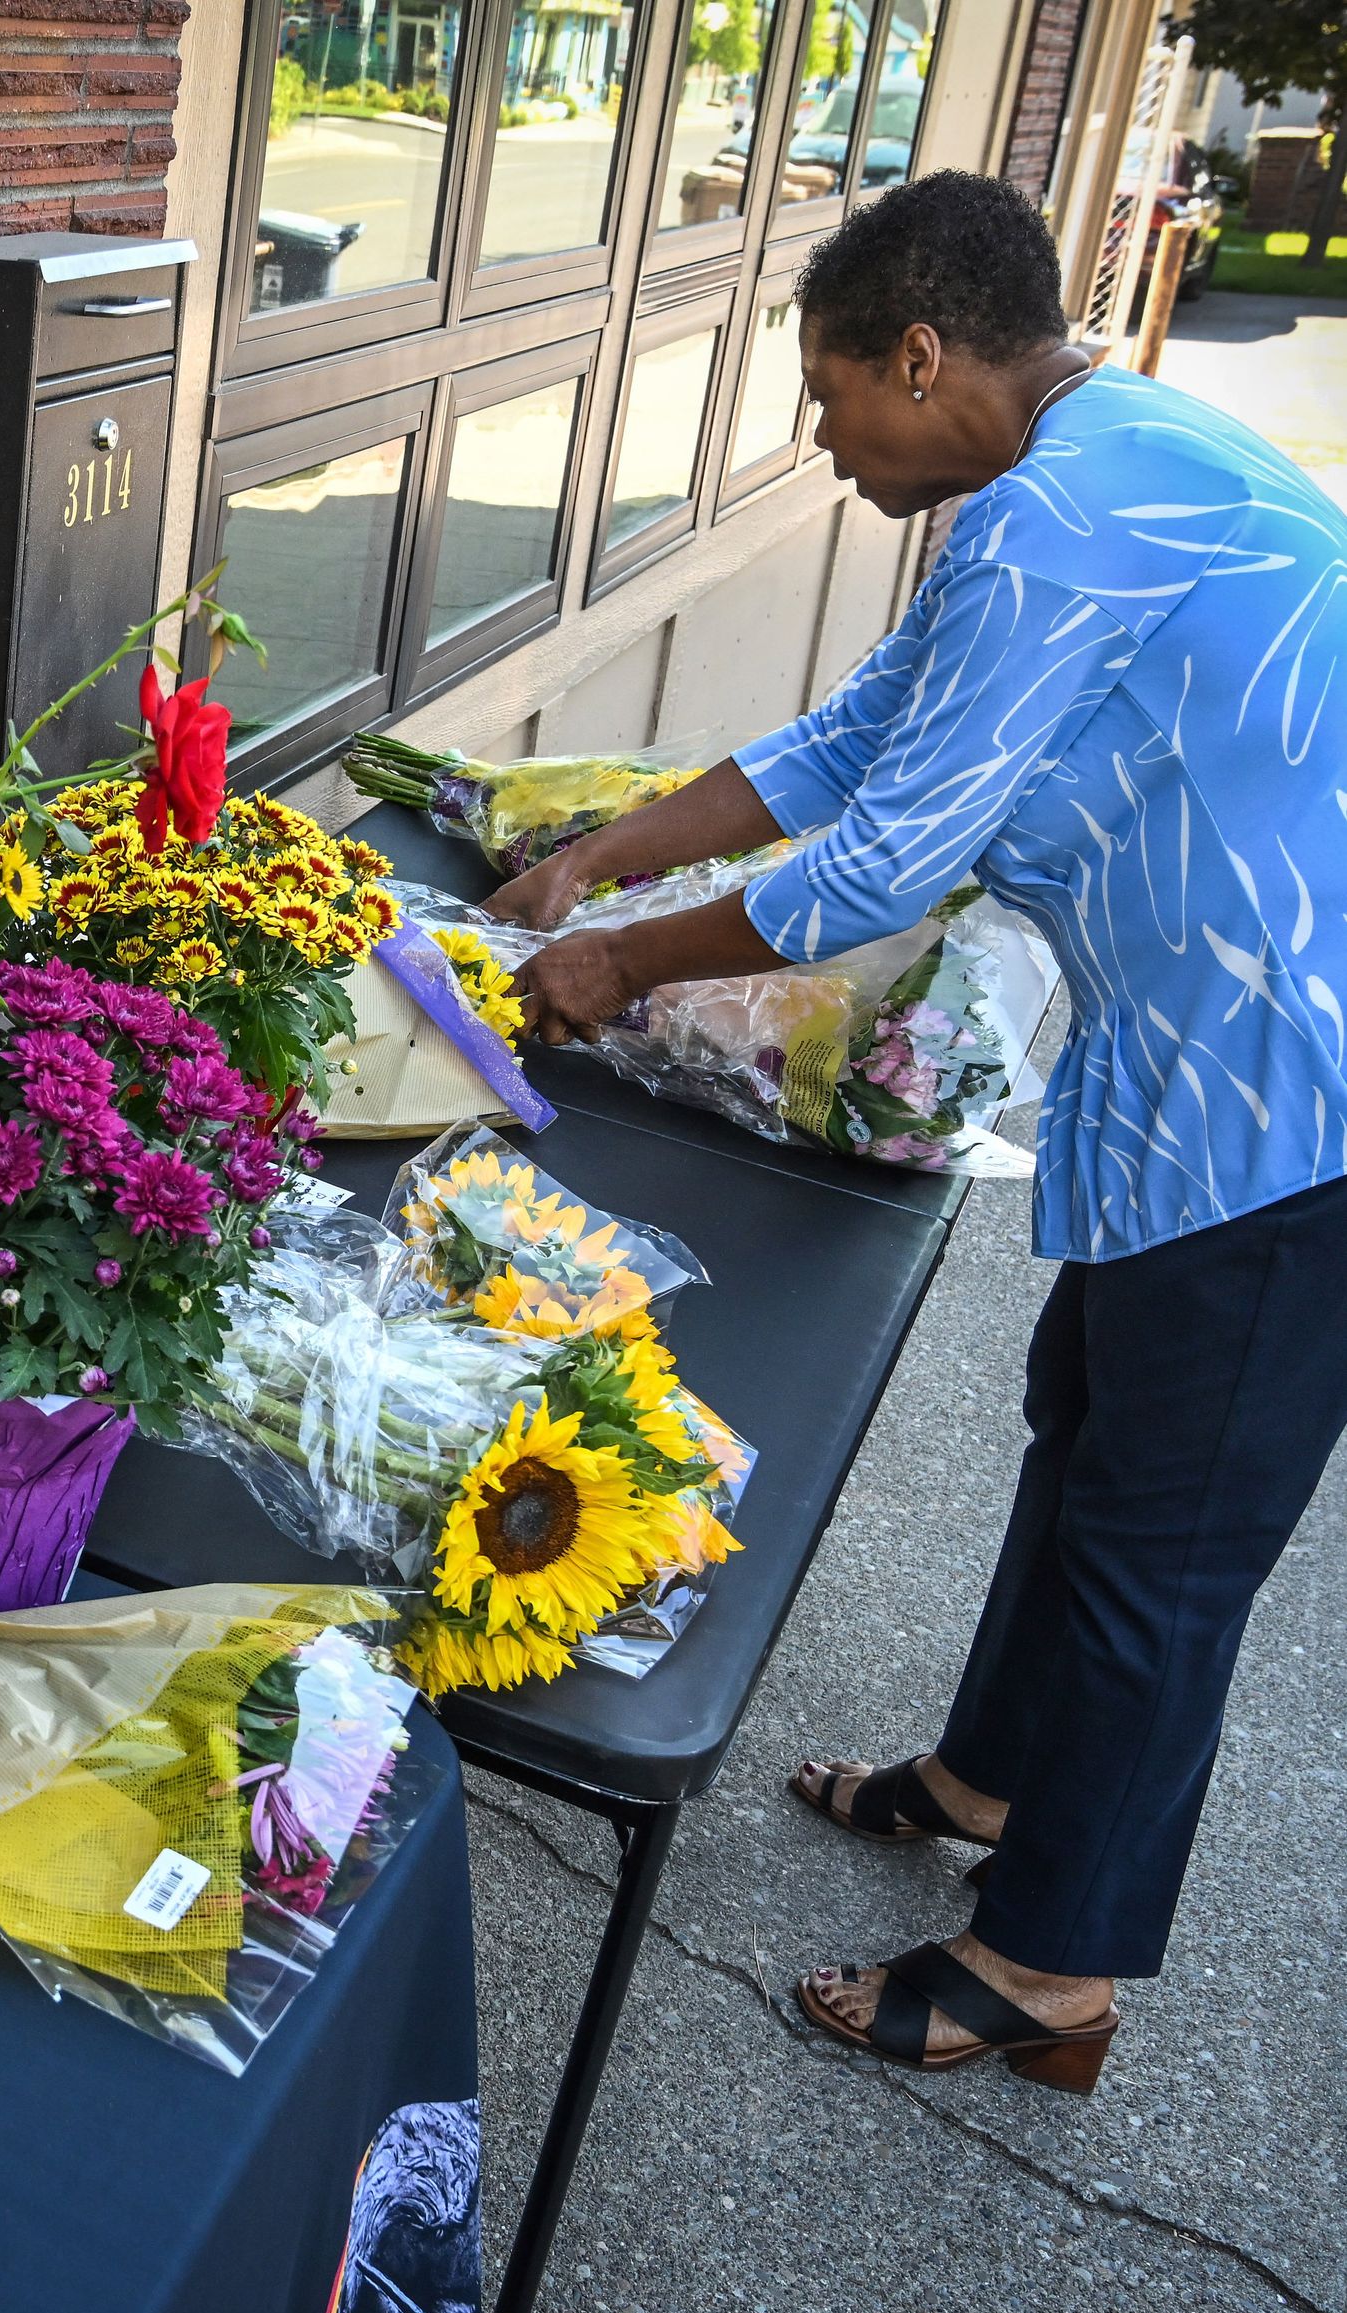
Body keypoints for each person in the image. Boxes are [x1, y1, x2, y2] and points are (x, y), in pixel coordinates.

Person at [486, 170, 1347, 2094]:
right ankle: (989, 1775)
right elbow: (861, 736)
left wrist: (624, 968)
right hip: (1203, 1065)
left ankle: (1052, 1969)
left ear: (925, 354)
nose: (820, 435)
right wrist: (614, 849)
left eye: (828, 391)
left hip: (1304, 1100)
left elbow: (890, 855)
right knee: (1089, 1440)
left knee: (1166, 1552)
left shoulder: (1059, 520)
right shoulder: (1080, 463)